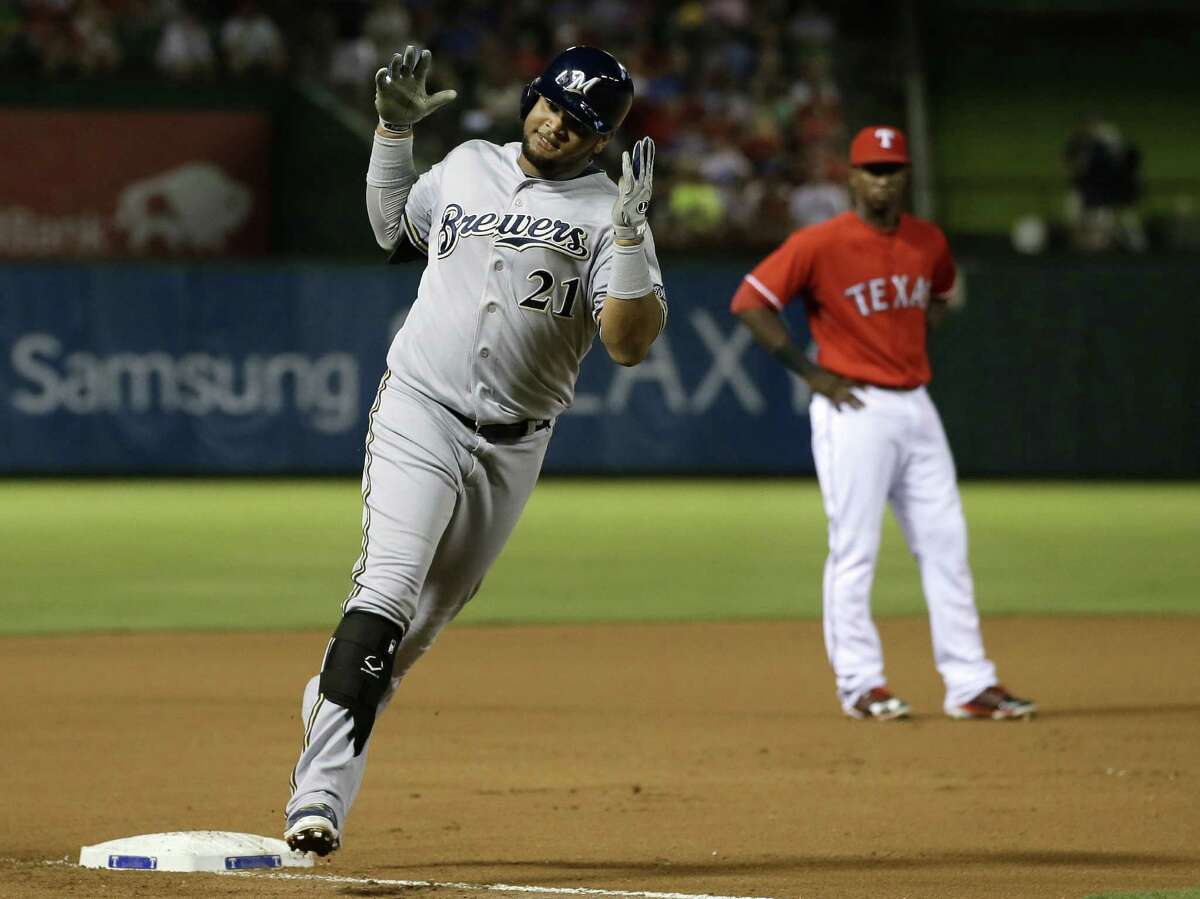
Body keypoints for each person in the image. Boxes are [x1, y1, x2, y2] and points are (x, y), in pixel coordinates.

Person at [283, 44, 667, 855]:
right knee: (385, 592)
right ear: (530, 96)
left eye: (578, 121)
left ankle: (336, 692)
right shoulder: (465, 165)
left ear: (600, 139)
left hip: (514, 443)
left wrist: (631, 238)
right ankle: (317, 799)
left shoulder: (609, 211)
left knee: (411, 636)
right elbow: (393, 226)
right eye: (549, 105)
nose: (555, 124)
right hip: (420, 406)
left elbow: (629, 345)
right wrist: (391, 130)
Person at [729, 125, 1034, 723]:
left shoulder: (927, 242)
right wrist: (810, 373)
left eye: (891, 169)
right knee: (855, 549)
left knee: (947, 546)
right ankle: (861, 683)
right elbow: (750, 301)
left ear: (905, 177)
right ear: (851, 176)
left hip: (917, 406)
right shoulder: (820, 242)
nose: (881, 179)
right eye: (871, 168)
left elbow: (941, 296)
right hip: (854, 409)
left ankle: (970, 683)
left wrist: (910, 338)